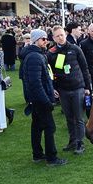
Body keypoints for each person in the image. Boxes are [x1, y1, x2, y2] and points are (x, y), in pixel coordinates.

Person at [20, 29, 66, 166]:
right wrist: (46, 100)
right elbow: (35, 83)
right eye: (43, 39)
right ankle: (51, 158)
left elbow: (43, 79)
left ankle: (38, 154)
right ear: (35, 40)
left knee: (37, 126)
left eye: (46, 38)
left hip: (38, 98)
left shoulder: (36, 54)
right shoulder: (35, 56)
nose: (46, 41)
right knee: (49, 127)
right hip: (39, 99)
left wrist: (51, 91)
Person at [48, 25, 91, 153]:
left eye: (62, 35)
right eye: (57, 36)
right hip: (62, 90)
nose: (60, 38)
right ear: (53, 38)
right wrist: (53, 87)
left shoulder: (75, 49)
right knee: (69, 118)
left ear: (65, 35)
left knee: (79, 118)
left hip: (77, 88)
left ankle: (80, 143)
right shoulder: (51, 53)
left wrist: (87, 87)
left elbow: (85, 68)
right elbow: (50, 73)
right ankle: (72, 141)